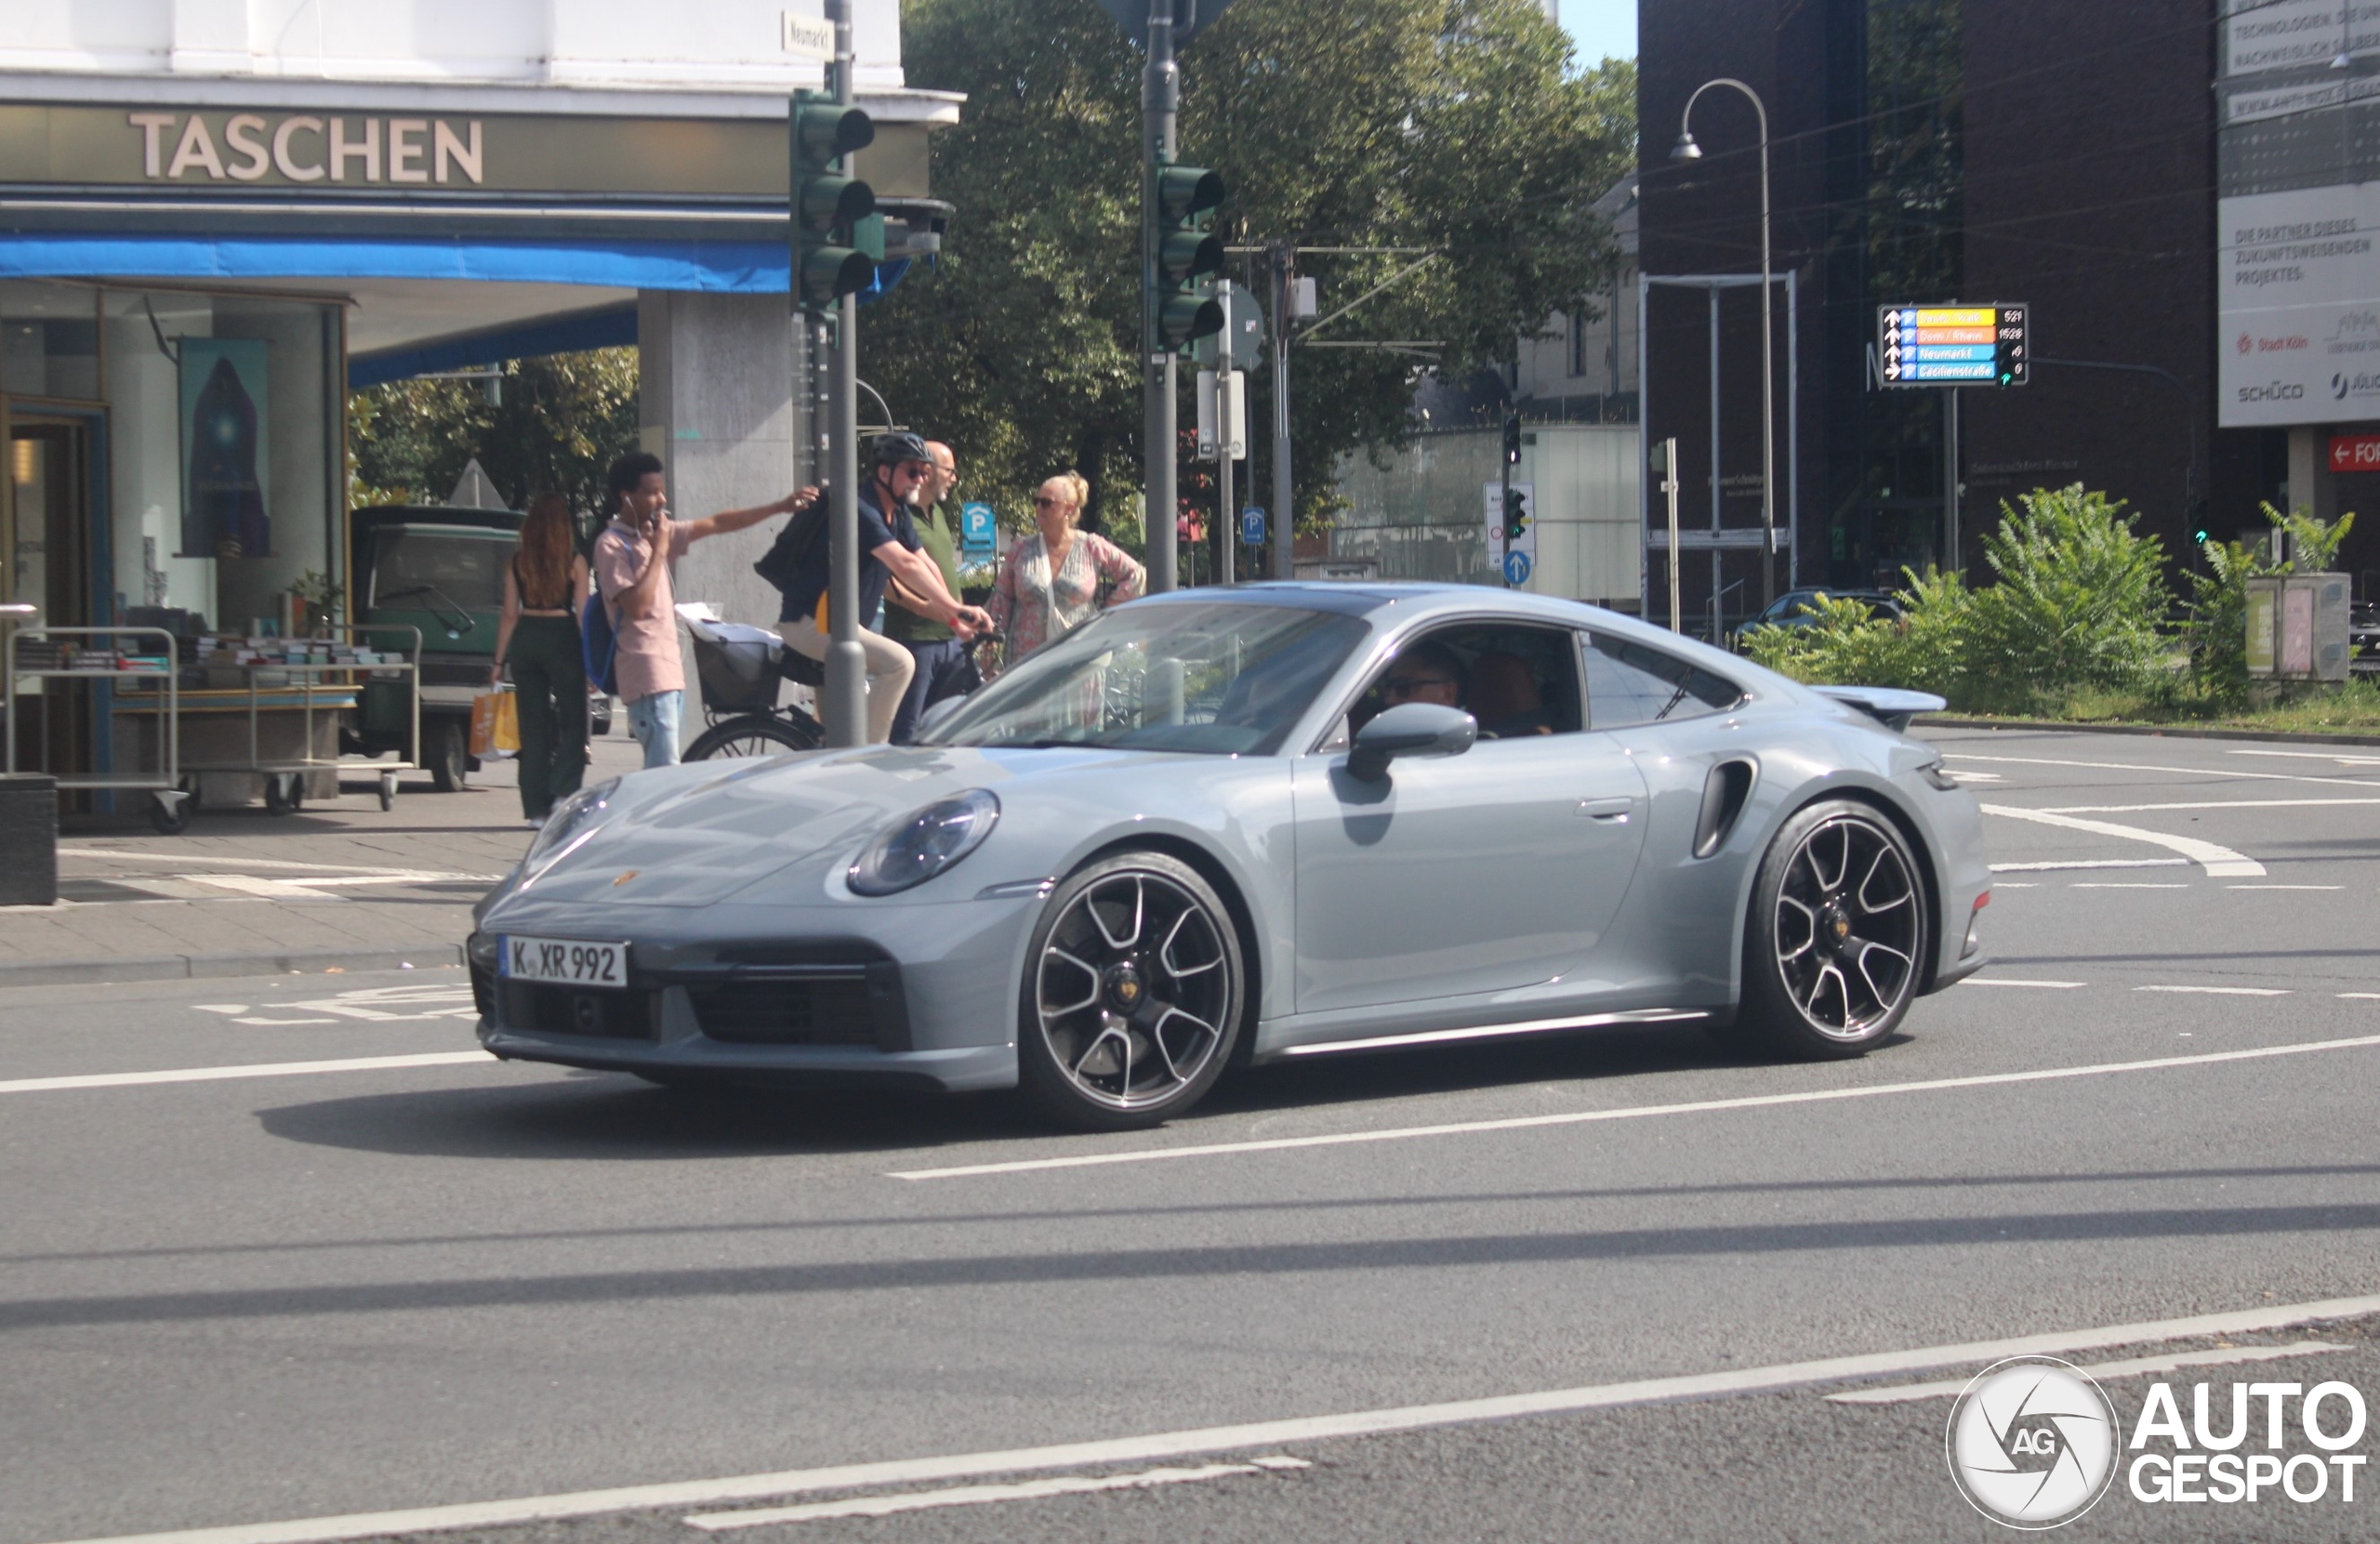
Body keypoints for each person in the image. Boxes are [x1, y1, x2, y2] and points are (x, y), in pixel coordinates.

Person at [594, 451, 814, 770]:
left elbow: (718, 523)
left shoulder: (656, 534)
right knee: (663, 773)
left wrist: (780, 506)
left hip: (669, 673)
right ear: (626, 497)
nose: (662, 500)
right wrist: (659, 551)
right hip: (645, 671)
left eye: (662, 490)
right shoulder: (612, 545)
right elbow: (637, 606)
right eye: (652, 492)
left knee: (666, 769)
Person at [777, 432, 991, 745]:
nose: (920, 479)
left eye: (925, 472)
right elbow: (904, 565)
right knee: (900, 663)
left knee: (833, 738)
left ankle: (837, 764)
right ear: (884, 472)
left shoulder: (899, 511)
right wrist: (956, 608)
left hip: (840, 626)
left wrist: (954, 617)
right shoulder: (862, 509)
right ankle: (869, 752)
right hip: (813, 623)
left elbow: (925, 562)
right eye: (913, 471)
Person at [491, 493, 590, 825]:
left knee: (533, 729)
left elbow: (508, 615)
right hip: (562, 637)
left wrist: (497, 662)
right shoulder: (575, 561)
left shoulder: (517, 562)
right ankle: (562, 791)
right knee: (575, 719)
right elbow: (583, 616)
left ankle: (534, 809)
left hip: (526, 638)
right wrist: (591, 661)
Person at [986, 471, 1144, 668]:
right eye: (1036, 501)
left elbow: (1136, 575)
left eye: (1046, 502)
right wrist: (989, 653)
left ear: (1069, 508)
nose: (1038, 507)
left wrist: (1105, 616)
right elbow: (1000, 600)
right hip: (1026, 664)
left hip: (1078, 662)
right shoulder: (1021, 549)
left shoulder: (1091, 547)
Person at [881, 440, 974, 744]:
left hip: (952, 641)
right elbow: (889, 582)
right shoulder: (899, 514)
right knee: (908, 732)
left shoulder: (938, 514)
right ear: (929, 470)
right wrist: (927, 608)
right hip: (915, 641)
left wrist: (960, 616)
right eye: (950, 470)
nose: (954, 477)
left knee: (948, 731)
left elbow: (943, 572)